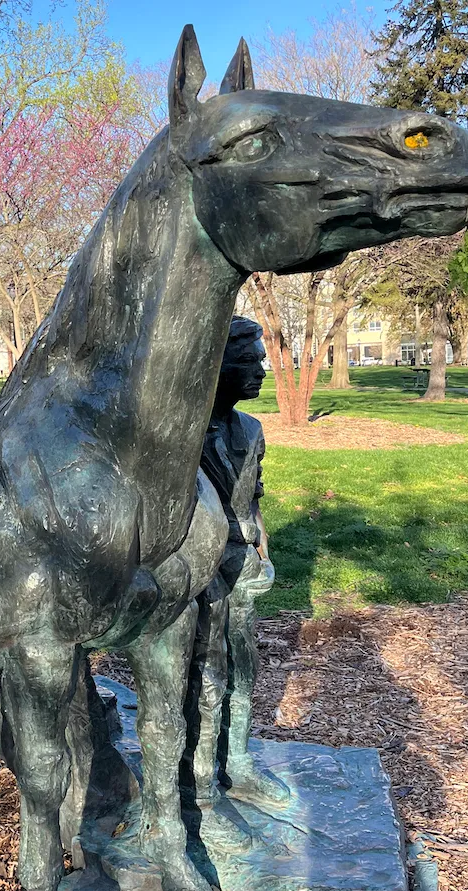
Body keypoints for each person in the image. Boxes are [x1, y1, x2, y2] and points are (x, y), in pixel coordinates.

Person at [182, 316, 288, 849]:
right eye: (248, 362)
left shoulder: (252, 431)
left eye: (260, 360)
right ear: (215, 367)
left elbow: (254, 496)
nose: (262, 371)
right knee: (205, 672)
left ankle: (238, 759)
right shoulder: (183, 433)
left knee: (244, 668)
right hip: (197, 568)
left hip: (241, 560)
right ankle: (199, 783)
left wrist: (261, 547)